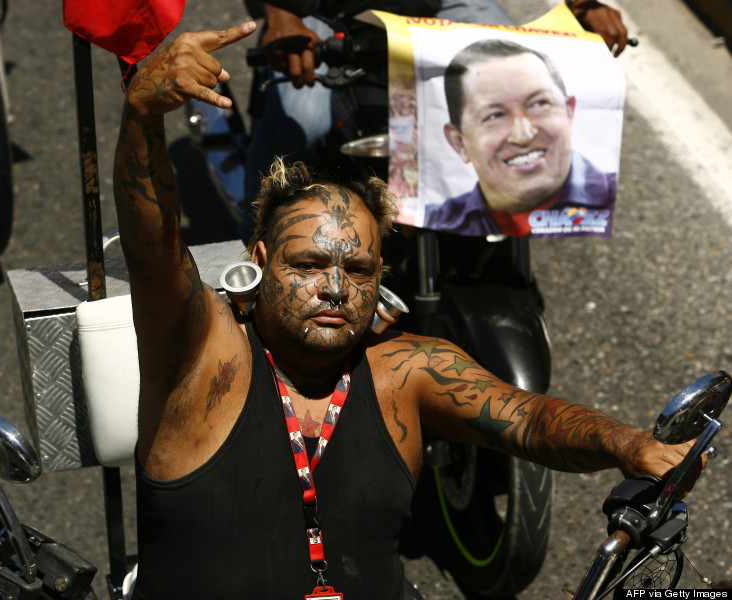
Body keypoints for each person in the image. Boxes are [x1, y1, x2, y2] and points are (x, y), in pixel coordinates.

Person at [114, 23, 701, 600]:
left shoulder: (408, 371)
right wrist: (142, 116)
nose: (337, 288)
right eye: (309, 265)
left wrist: (628, 445)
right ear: (260, 260)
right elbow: (154, 247)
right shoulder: (200, 352)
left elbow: (529, 419)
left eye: (360, 270)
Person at [240, 0, 629, 241]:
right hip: (318, 8)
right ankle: (253, 249)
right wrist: (280, 14)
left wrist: (585, 2)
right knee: (301, 125)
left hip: (439, 2)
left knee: (514, 71)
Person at [424, 39, 616, 237]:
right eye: (495, 116)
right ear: (459, 142)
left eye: (539, 104)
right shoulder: (430, 220)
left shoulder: (615, 199)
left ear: (569, 112)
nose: (523, 135)